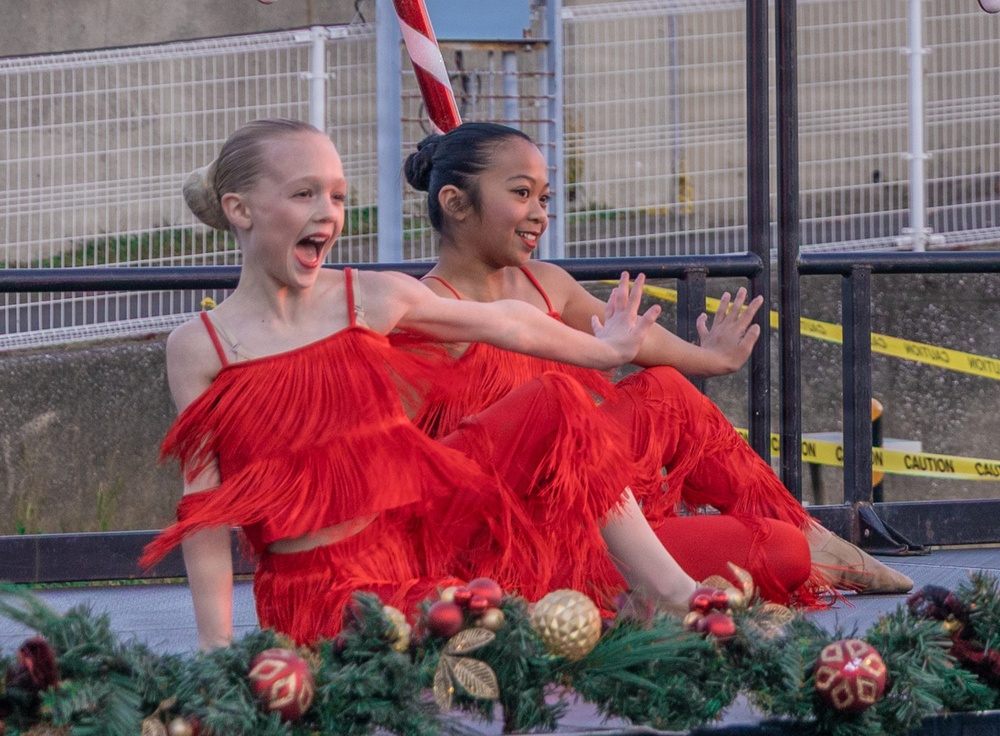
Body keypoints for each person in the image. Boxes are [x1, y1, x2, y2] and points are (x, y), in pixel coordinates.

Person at [141, 118, 715, 649]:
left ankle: (669, 591)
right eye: (303, 194)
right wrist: (217, 651)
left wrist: (607, 348)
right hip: (318, 590)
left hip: (414, 535)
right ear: (240, 209)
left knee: (558, 398)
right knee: (465, 626)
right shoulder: (200, 347)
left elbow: (508, 322)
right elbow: (205, 512)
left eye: (338, 196)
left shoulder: (366, 297)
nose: (328, 212)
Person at [395, 121, 914, 604]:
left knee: (666, 388)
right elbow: (409, 472)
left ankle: (811, 534)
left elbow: (632, 340)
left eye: (544, 197)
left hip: (602, 507)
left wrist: (709, 359)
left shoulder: (544, 283)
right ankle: (658, 583)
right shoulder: (426, 315)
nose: (539, 213)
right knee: (779, 557)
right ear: (455, 203)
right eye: (521, 193)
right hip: (517, 536)